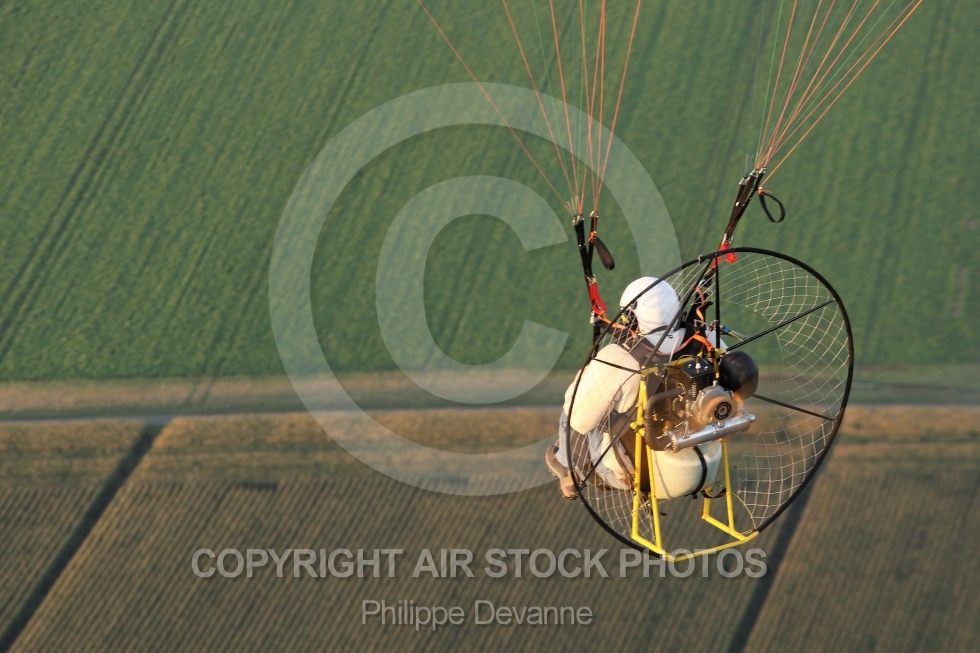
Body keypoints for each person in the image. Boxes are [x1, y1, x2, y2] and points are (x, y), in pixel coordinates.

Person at [545, 277, 726, 499]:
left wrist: (586, 374)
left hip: (647, 477)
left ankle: (567, 467)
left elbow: (578, 419)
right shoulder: (707, 340)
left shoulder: (619, 359)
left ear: (631, 317)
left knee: (574, 409)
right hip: (703, 468)